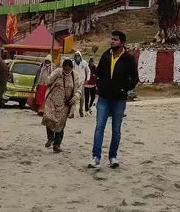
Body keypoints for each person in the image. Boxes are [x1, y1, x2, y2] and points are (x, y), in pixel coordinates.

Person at [89, 30, 138, 169]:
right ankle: (96, 157)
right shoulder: (105, 56)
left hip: (119, 100)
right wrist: (100, 86)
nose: (112, 41)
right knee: (99, 127)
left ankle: (113, 157)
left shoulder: (128, 59)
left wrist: (124, 89)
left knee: (116, 129)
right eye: (111, 39)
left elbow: (134, 78)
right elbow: (98, 74)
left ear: (122, 43)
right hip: (104, 98)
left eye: (115, 39)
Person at [43, 58, 81, 152]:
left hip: (65, 104)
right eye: (65, 69)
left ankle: (57, 145)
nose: (66, 71)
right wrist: (48, 76)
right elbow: (48, 81)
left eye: (68, 69)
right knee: (49, 118)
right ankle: (50, 138)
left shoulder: (75, 76)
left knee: (60, 124)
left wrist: (75, 97)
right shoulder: (58, 72)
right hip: (52, 100)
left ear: (72, 68)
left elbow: (79, 89)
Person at [72, 50, 90, 117]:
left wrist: (87, 79)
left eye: (78, 55)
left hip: (82, 82)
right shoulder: (73, 63)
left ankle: (81, 110)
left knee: (82, 98)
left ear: (80, 56)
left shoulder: (84, 63)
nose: (77, 57)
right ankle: (72, 111)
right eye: (76, 55)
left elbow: (88, 71)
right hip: (74, 82)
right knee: (73, 97)